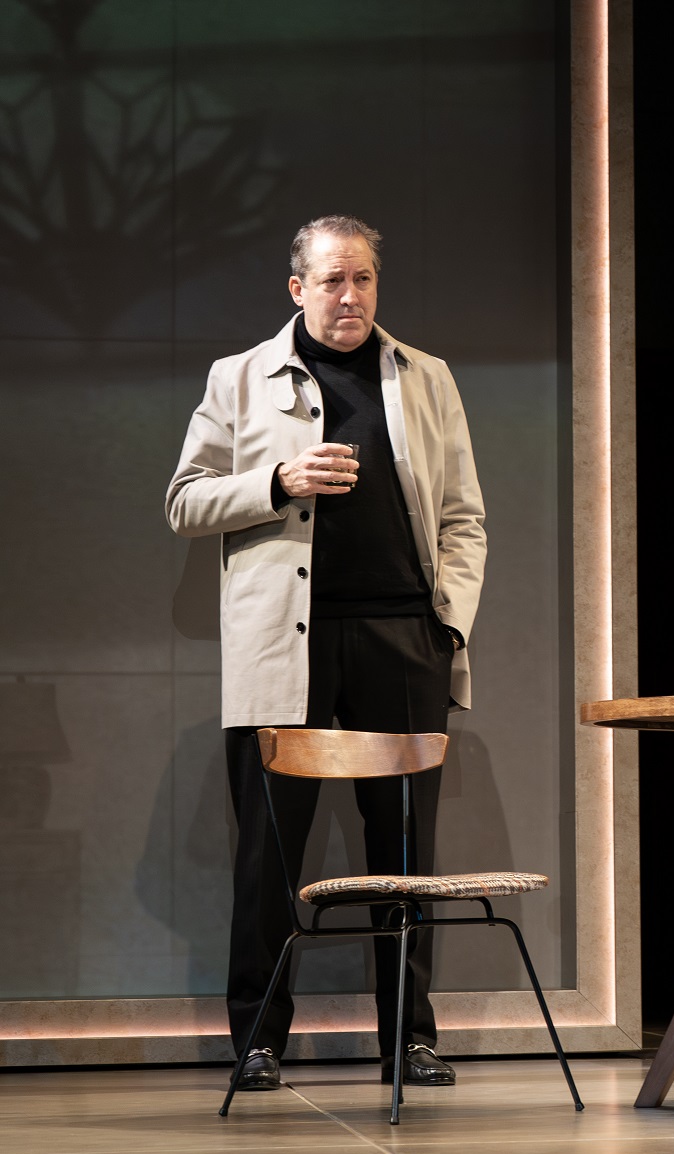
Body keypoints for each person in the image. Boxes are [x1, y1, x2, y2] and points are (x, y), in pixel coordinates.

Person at [167, 215, 486, 1092]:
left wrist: (445, 624)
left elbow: (463, 515)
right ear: (297, 288)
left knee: (407, 853)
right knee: (271, 854)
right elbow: (184, 499)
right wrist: (277, 482)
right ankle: (258, 1040)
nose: (351, 297)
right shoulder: (238, 378)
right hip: (284, 648)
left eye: (365, 280)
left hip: (401, 643)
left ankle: (408, 1039)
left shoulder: (426, 376)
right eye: (333, 281)